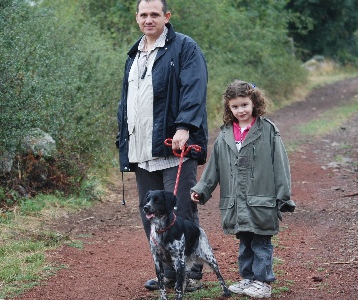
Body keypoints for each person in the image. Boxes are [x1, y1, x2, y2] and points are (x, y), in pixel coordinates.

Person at [116, 0, 208, 292]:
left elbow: (194, 87)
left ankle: (191, 273)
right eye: (143, 14)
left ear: (166, 17)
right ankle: (168, 272)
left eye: (154, 14)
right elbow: (128, 102)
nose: (148, 19)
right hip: (141, 149)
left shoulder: (184, 47)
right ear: (137, 18)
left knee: (180, 212)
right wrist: (123, 139)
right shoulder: (133, 54)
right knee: (151, 213)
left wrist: (184, 127)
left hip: (175, 149)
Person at [191, 80, 295, 298]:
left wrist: (283, 196)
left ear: (254, 103)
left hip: (262, 200)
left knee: (261, 242)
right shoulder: (225, 135)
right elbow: (214, 168)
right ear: (229, 108)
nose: (241, 110)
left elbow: (281, 165)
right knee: (245, 243)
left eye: (245, 105)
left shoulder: (268, 130)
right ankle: (248, 279)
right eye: (235, 106)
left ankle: (263, 282)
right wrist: (201, 189)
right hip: (236, 203)